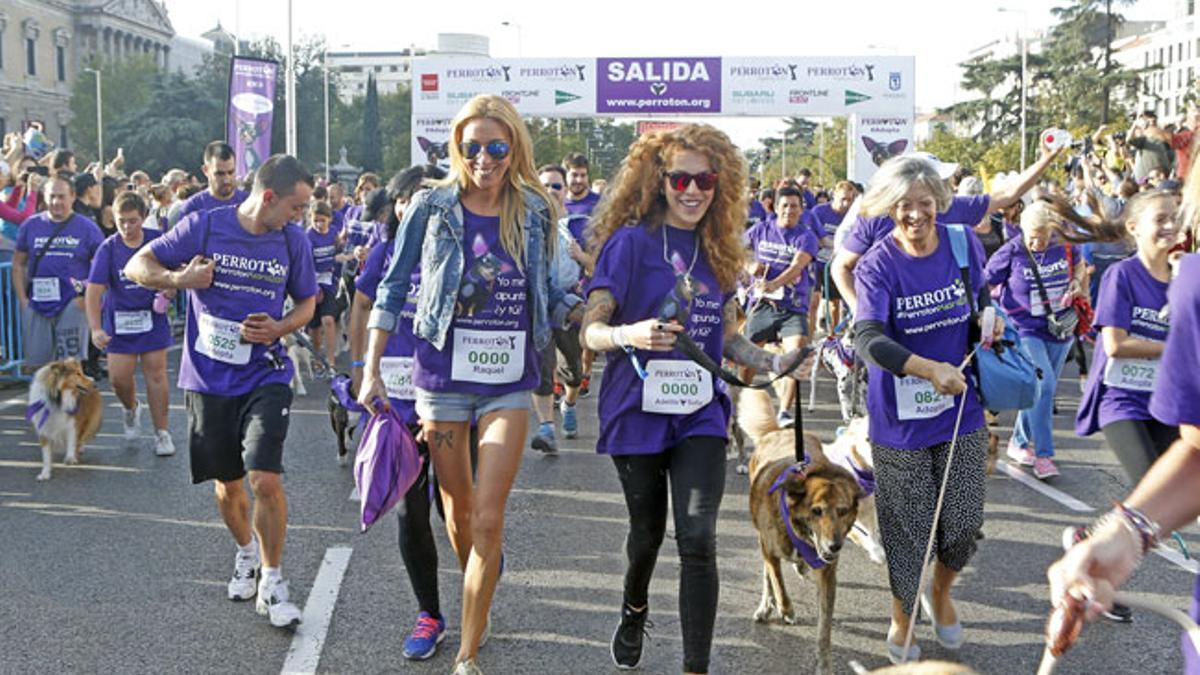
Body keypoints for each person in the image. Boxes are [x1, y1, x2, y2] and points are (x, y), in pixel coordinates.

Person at [581, 123, 807, 675]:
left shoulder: (719, 251)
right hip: (636, 411)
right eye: (680, 178)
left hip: (700, 413)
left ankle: (694, 668)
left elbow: (726, 336)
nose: (692, 190)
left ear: (718, 184)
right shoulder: (629, 244)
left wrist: (774, 363)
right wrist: (626, 335)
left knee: (699, 537)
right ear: (659, 182)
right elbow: (591, 329)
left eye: (704, 179)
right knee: (647, 535)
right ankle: (634, 608)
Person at [359, 95, 571, 675]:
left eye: (496, 147)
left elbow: (554, 289)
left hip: (507, 383)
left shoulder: (534, 210)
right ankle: (476, 599)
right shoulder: (431, 207)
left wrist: (595, 322)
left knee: (487, 518)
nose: (484, 157)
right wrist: (372, 367)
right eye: (472, 146)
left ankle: (467, 652)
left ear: (514, 150)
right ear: (458, 148)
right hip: (441, 382)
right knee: (455, 514)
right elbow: (392, 288)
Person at [125, 154, 317, 629]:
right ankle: (247, 553)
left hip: (266, 374)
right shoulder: (203, 227)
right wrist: (178, 280)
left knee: (264, 479)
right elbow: (137, 264)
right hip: (209, 378)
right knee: (228, 486)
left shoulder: (293, 242)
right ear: (269, 197)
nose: (300, 218)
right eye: (295, 208)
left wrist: (279, 327)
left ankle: (273, 583)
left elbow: (308, 302)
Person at [850, 154, 1003, 663]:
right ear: (887, 209)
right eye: (903, 206)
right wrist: (925, 368)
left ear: (940, 202)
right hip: (898, 420)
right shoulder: (877, 265)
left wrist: (990, 317)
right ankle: (902, 616)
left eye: (925, 204)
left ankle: (940, 592)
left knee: (962, 522)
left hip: (960, 409)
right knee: (907, 528)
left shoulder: (962, 244)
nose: (916, 215)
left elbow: (979, 299)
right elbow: (869, 337)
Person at [1047, 167, 1200, 670]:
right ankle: (1097, 552)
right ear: (1133, 227)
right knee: (1145, 485)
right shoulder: (1138, 278)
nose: (1174, 227)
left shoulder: (1184, 279)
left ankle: (1093, 540)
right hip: (1125, 400)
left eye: (1179, 216)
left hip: (1166, 401)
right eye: (1165, 217)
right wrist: (1128, 534)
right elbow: (1112, 344)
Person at [346, 163, 453, 661]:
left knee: (457, 510)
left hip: (452, 400)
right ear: (398, 206)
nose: (420, 206)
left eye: (431, 196)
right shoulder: (386, 254)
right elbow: (363, 306)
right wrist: (359, 368)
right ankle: (429, 612)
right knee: (411, 510)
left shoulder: (457, 254)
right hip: (396, 403)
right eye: (411, 197)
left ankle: (481, 581)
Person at [831, 146, 1063, 313]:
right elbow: (841, 266)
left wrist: (1046, 159)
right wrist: (862, 315)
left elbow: (1006, 195)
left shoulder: (950, 207)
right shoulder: (876, 216)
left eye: (941, 181)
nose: (917, 215)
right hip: (889, 320)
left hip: (941, 319)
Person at [985, 198, 1088, 479]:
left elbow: (1080, 266)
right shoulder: (1012, 251)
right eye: (1032, 238)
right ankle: (1044, 455)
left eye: (1042, 239)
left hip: (1059, 327)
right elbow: (984, 283)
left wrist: (1078, 282)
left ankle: (1018, 444)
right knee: (1044, 387)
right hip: (1025, 329)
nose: (1037, 245)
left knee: (1043, 392)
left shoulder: (1065, 244)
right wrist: (992, 314)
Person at [84, 192, 175, 456]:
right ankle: (131, 408)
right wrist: (95, 328)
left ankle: (162, 433)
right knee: (118, 380)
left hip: (152, 319)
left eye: (132, 221)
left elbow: (175, 273)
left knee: (156, 375)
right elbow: (94, 290)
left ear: (143, 218)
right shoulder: (109, 248)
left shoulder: (158, 242)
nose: (126, 227)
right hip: (119, 321)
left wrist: (170, 290)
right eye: (121, 221)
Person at [12, 175, 105, 371]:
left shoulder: (88, 228)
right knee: (40, 368)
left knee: (70, 367)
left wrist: (86, 297)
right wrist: (23, 300)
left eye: (61, 196)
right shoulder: (30, 225)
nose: (56, 202)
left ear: (72, 196)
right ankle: (45, 403)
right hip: (37, 303)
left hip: (71, 303)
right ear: (44, 197)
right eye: (52, 196)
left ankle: (71, 403)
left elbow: (102, 265)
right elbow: (18, 264)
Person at [743, 185, 818, 426]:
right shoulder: (760, 230)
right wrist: (750, 265)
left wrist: (775, 283)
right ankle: (740, 399)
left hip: (792, 307)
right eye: (784, 205)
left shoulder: (806, 237)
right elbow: (739, 252)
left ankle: (784, 411)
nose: (789, 210)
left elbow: (797, 266)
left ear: (801, 209)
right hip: (762, 305)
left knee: (795, 355)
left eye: (794, 206)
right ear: (775, 207)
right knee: (748, 358)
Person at [529, 164, 588, 453]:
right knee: (542, 367)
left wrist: (581, 255)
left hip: (570, 305)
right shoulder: (529, 222)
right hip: (539, 304)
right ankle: (546, 427)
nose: (550, 191)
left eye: (556, 186)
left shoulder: (579, 225)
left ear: (565, 191)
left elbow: (599, 266)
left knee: (574, 370)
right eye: (545, 186)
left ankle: (569, 403)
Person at [806, 180, 857, 335]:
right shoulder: (819, 212)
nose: (845, 203)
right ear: (834, 195)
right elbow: (810, 234)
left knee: (835, 302)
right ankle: (811, 334)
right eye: (843, 199)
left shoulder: (852, 216)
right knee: (814, 300)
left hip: (836, 264)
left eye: (849, 200)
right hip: (818, 262)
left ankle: (833, 334)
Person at [307, 201, 352, 371]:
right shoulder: (308, 237)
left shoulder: (334, 234)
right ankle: (317, 356)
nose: (319, 224)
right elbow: (308, 264)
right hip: (313, 284)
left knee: (328, 320)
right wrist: (333, 259)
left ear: (329, 220)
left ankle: (331, 361)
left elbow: (341, 252)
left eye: (322, 220)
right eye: (315, 220)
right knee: (315, 326)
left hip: (331, 284)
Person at [171, 141, 249, 226]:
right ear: (206, 170)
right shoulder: (193, 208)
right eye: (220, 174)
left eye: (231, 172)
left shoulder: (249, 203)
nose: (227, 179)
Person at [1128, 110, 1175, 182]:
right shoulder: (1143, 140)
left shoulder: (1164, 141)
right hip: (1145, 180)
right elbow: (1129, 140)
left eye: (1155, 122)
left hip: (1161, 179)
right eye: (1150, 123)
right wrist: (1135, 125)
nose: (1153, 126)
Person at [563, 152, 601, 217]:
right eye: (574, 175)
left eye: (583, 175)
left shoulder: (601, 204)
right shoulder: (557, 205)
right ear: (564, 176)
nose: (579, 180)